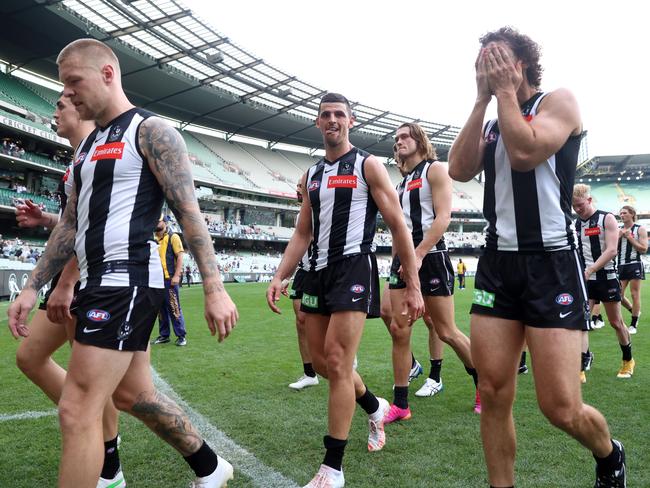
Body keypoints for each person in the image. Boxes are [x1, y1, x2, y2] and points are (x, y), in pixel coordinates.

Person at [8, 39, 238, 488]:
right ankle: (211, 467)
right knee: (133, 396)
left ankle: (110, 475)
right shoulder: (88, 147)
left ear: (108, 73)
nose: (68, 95)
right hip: (97, 281)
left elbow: (189, 213)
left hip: (127, 281)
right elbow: (71, 225)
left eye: (74, 83)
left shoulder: (151, 131)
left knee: (78, 409)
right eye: (63, 86)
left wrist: (214, 286)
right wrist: (33, 286)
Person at [448, 27, 626, 487]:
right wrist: (480, 99)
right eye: (483, 60)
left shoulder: (558, 102)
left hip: (551, 263)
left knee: (560, 406)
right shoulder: (491, 120)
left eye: (498, 58)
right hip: (497, 264)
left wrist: (504, 91)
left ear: (522, 61)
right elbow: (459, 169)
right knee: (492, 390)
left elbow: (526, 151)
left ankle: (609, 455)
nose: (489, 65)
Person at [267, 92, 424, 488]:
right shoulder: (313, 174)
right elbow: (303, 232)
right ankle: (375, 407)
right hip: (318, 272)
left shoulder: (368, 165)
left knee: (337, 362)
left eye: (339, 114)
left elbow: (398, 225)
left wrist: (413, 284)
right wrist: (279, 275)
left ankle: (332, 468)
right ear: (318, 123)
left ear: (350, 122)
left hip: (354, 266)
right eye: (325, 115)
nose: (332, 120)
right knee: (323, 364)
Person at [14, 94, 126, 488]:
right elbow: (72, 223)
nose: (54, 113)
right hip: (69, 277)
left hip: (86, 282)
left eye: (61, 105)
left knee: (92, 386)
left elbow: (92, 228)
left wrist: (66, 282)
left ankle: (109, 465)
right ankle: (93, 430)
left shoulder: (101, 152)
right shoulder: (77, 159)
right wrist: (45, 218)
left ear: (80, 109)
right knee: (30, 357)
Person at [385, 123, 479, 424]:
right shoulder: (401, 183)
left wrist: (419, 254)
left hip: (431, 256)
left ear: (419, 141)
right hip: (404, 259)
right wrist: (397, 258)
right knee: (400, 329)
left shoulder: (434, 170)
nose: (399, 142)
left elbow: (443, 218)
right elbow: (399, 228)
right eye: (396, 138)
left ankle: (485, 385)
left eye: (405, 137)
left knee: (446, 331)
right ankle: (401, 404)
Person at [573, 184, 635, 382]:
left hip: (606, 277)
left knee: (616, 323)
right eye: (574, 206)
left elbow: (611, 250)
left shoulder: (606, 218)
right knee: (582, 323)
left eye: (580, 205)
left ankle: (628, 360)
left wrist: (591, 269)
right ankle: (581, 366)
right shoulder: (576, 224)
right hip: (585, 280)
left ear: (589, 200)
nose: (577, 210)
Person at [283, 183, 319, 390]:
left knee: (325, 321)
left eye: (301, 186)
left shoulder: (322, 211)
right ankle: (309, 373)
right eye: (296, 186)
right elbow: (299, 247)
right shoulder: (300, 216)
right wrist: (287, 275)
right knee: (301, 322)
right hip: (304, 273)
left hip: (320, 272)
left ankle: (346, 356)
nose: (297, 189)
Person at [152, 218, 188, 346]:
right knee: (160, 310)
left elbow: (180, 257)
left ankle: (181, 335)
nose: (156, 223)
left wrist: (177, 275)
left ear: (165, 222)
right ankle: (164, 335)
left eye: (158, 220)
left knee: (174, 307)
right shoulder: (153, 238)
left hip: (169, 280)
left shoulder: (173, 237)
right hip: (156, 281)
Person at [617, 205, 647, 334]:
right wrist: (618, 237)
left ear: (632, 214)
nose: (622, 215)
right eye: (621, 213)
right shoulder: (618, 230)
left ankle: (633, 324)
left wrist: (629, 237)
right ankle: (634, 311)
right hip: (621, 265)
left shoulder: (639, 229)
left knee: (635, 294)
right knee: (618, 296)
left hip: (634, 263)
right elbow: (610, 247)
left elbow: (643, 248)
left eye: (624, 213)